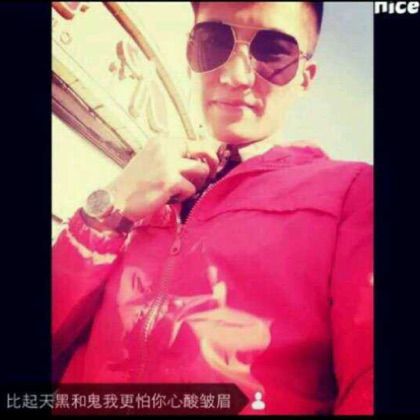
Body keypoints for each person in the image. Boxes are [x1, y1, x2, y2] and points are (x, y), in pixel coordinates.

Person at [52, 1, 373, 415]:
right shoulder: (145, 180)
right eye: (213, 42)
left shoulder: (352, 194)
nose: (235, 75)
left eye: (273, 52)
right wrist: (113, 202)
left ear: (305, 77)